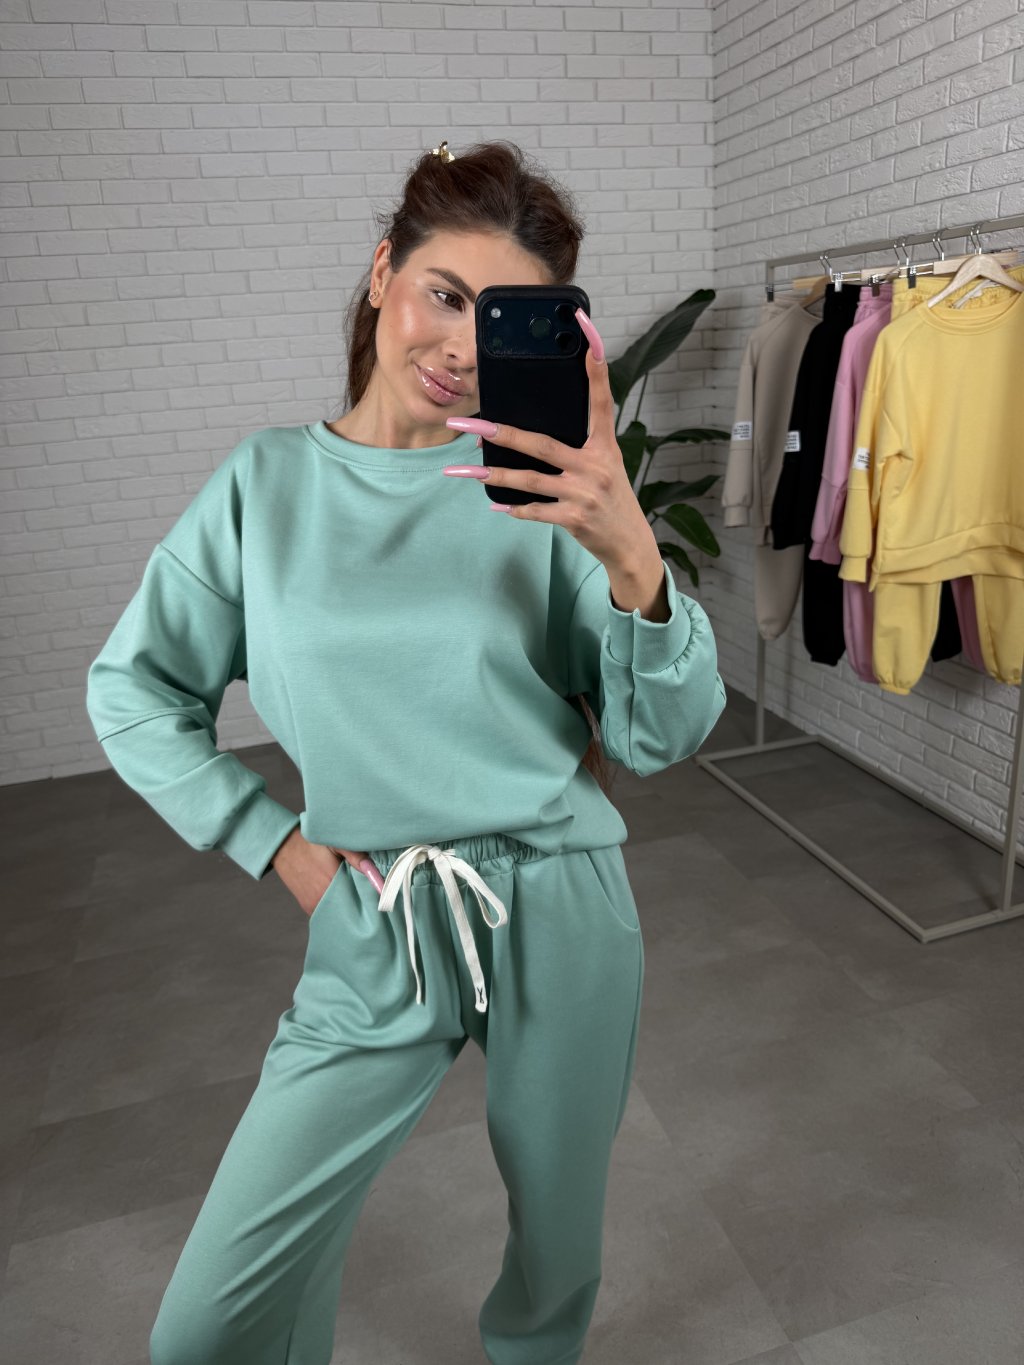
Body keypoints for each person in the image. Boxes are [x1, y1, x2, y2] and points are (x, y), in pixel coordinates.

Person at [85, 138, 727, 1365]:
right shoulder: (263, 485)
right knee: (207, 1326)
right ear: (383, 270)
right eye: (445, 293)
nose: (464, 347)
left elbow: (663, 733)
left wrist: (630, 553)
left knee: (558, 1238)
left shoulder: (542, 491)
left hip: (559, 902)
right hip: (373, 910)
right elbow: (131, 689)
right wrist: (275, 843)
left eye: (503, 319)